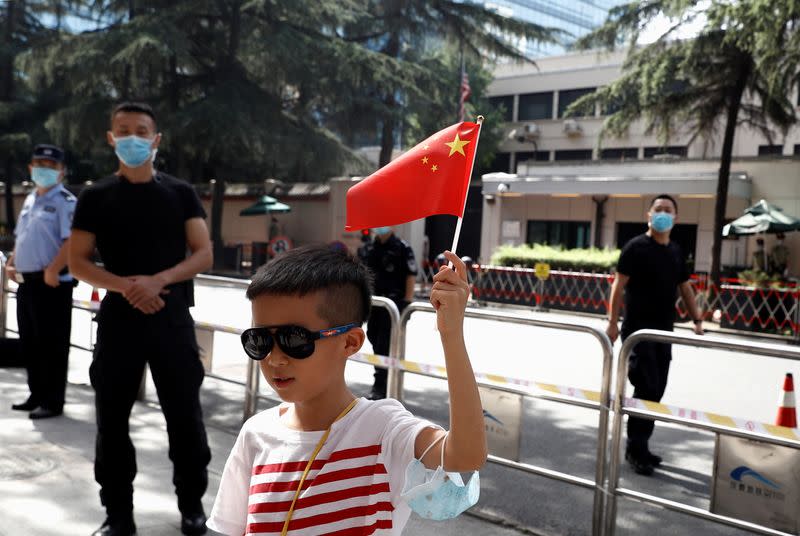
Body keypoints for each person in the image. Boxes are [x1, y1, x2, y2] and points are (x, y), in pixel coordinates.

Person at [207, 245, 486, 535]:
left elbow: (465, 454)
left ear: (350, 342)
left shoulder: (382, 429)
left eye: (294, 339)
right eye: (260, 339)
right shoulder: (255, 434)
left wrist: (451, 335)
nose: (274, 358)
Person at [69, 102, 213, 536]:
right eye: (123, 130)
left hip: (171, 319)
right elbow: (78, 262)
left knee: (185, 417)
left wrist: (158, 280)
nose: (133, 137)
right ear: (111, 138)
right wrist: (127, 287)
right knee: (111, 421)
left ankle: (192, 507)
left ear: (156, 139)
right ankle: (118, 515)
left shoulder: (180, 192)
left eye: (142, 130)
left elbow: (203, 253)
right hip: (118, 320)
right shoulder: (95, 196)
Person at [606, 194, 704, 476]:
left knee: (657, 391)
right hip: (637, 333)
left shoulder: (675, 251)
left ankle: (642, 445)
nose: (662, 214)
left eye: (668, 210)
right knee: (646, 386)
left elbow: (685, 289)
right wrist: (613, 322)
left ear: (675, 217)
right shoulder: (635, 248)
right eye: (658, 209)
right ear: (649, 215)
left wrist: (697, 319)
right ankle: (635, 450)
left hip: (664, 334)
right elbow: (618, 286)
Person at [6, 144, 75, 419]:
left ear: (61, 171)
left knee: (52, 345)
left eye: (51, 166)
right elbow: (21, 236)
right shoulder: (31, 198)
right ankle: (36, 393)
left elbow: (72, 241)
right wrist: (12, 262)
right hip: (27, 282)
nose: (44, 170)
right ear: (30, 168)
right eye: (39, 164)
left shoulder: (66, 202)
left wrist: (54, 269)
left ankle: (53, 401)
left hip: (52, 283)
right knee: (30, 343)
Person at [358, 226, 417, 399]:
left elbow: (410, 275)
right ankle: (382, 383)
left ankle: (381, 387)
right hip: (374, 305)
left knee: (385, 344)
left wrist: (407, 301)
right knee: (373, 338)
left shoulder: (402, 248)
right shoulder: (369, 248)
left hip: (393, 305)